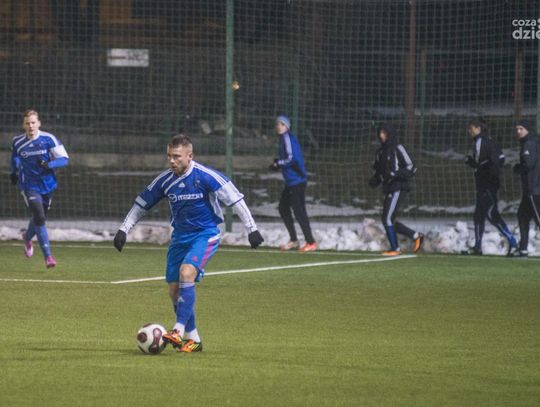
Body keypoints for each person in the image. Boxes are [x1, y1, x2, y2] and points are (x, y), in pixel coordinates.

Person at [113, 134, 264, 353]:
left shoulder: (206, 176)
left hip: (205, 234)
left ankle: (177, 330)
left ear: (189, 156)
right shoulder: (165, 180)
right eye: (169, 156)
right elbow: (141, 204)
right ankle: (194, 340)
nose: (172, 161)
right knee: (175, 291)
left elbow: (235, 199)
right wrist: (123, 229)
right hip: (179, 238)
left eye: (176, 156)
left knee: (187, 273)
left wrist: (252, 229)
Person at [9, 109, 69, 268]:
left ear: (39, 123)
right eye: (27, 123)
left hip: (48, 185)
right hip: (28, 186)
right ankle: (48, 257)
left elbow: (64, 159)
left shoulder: (49, 139)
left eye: (33, 122)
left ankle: (27, 237)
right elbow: (15, 158)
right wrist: (13, 172)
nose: (31, 126)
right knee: (39, 217)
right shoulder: (17, 142)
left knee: (39, 218)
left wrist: (49, 164)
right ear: (23, 125)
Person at [461, 119, 518, 256]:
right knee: (479, 215)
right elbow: (490, 162)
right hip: (483, 184)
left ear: (478, 128)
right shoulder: (482, 142)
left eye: (471, 128)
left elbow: (498, 161)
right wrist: (473, 163)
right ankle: (477, 247)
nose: (469, 131)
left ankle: (513, 241)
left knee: (491, 214)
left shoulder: (485, 142)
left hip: (488, 184)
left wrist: (482, 169)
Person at [368, 123, 423, 256]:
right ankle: (416, 236)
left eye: (384, 133)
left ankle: (395, 249)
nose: (381, 135)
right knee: (389, 219)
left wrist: (395, 174)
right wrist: (375, 180)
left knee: (387, 218)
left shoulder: (398, 148)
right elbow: (380, 173)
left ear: (390, 134)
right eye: (380, 133)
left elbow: (411, 167)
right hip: (389, 188)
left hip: (399, 187)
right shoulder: (380, 152)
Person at [269, 115, 317, 252]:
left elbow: (291, 158)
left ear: (287, 127)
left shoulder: (287, 138)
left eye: (282, 124)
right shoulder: (283, 139)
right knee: (283, 208)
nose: (279, 126)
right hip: (291, 182)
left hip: (297, 181)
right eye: (278, 124)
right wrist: (278, 161)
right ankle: (294, 240)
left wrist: (278, 163)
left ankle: (310, 242)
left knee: (299, 211)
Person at [512, 119, 540, 258]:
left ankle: (523, 248)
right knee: (522, 216)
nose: (518, 131)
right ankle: (523, 249)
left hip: (533, 189)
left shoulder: (529, 143)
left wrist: (518, 167)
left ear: (528, 129)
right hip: (530, 189)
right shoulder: (533, 141)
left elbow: (528, 164)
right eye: (517, 129)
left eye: (521, 129)